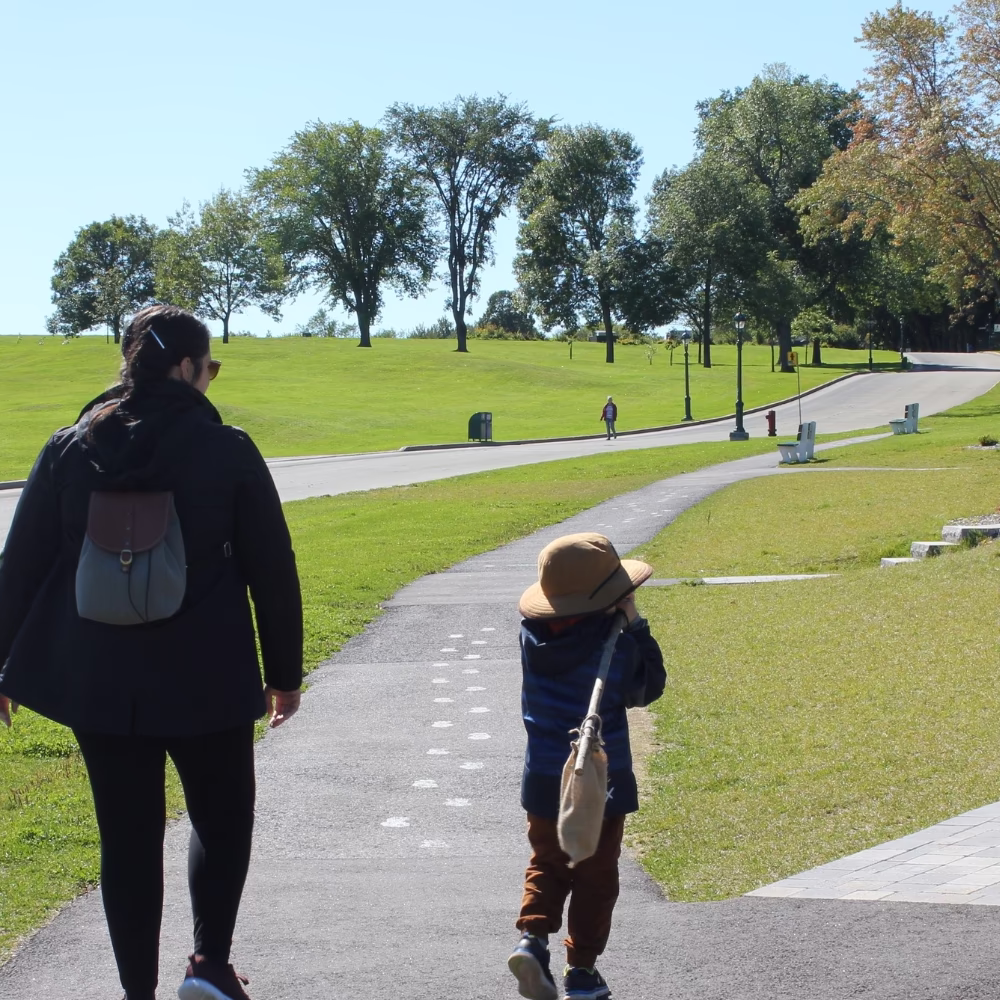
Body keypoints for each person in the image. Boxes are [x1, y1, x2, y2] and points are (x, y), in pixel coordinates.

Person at [0, 304, 303, 1000]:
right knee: (222, 820)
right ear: (188, 368)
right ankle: (209, 967)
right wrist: (283, 675)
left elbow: (18, 565)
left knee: (127, 838)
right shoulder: (227, 450)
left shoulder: (68, 448)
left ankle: (137, 991)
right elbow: (273, 569)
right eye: (210, 367)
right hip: (209, 676)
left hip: (101, 682)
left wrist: (1, 665)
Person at [507, 532, 665, 1000]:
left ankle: (533, 940)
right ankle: (582, 970)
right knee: (595, 873)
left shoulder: (531, 635)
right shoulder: (612, 641)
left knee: (547, 860)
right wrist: (634, 625)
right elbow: (648, 687)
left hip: (543, 774)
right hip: (598, 776)